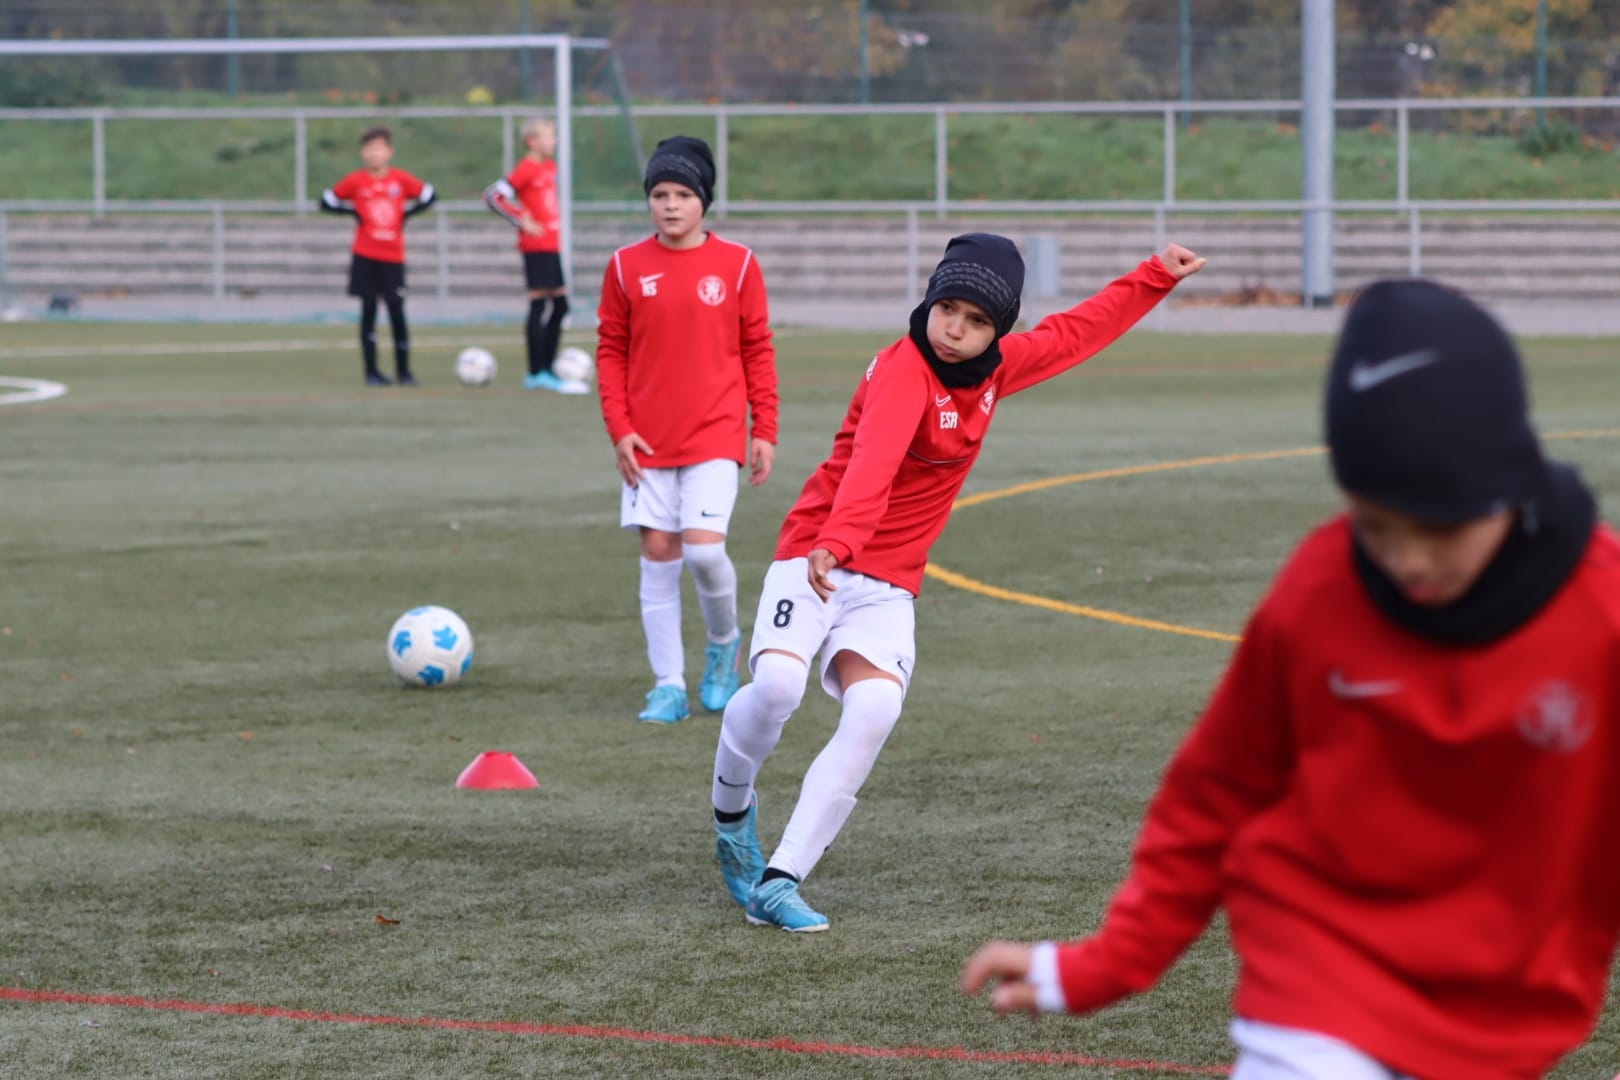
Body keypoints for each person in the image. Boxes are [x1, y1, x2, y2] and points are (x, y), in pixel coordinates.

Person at [961, 279, 1619, 1080]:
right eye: (1376, 526)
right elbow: (1212, 797)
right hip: (1316, 995)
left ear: (1509, 484)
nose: (1408, 560)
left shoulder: (1602, 617)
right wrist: (1107, 962)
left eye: (1439, 529)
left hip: (1504, 1025)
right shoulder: (1319, 594)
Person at [711, 233, 1207, 932]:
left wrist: (1156, 275)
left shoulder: (994, 371)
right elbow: (873, 464)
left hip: (887, 582)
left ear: (996, 331)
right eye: (948, 309)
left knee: (875, 710)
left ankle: (781, 878)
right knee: (777, 688)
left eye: (977, 321)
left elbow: (1073, 334)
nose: (955, 329)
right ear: (931, 300)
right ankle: (732, 814)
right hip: (817, 553)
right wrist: (837, 542)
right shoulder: (903, 369)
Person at [595, 135, 778, 725]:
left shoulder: (738, 264)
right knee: (657, 552)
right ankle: (667, 685)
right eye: (659, 194)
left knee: (703, 551)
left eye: (682, 194)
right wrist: (619, 429)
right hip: (646, 440)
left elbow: (757, 349)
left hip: (715, 434)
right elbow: (610, 351)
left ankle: (723, 646)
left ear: (704, 201)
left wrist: (764, 427)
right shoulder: (625, 266)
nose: (670, 205)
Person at [319, 127, 436, 387]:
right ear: (363, 153)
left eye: (379, 148)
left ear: (389, 152)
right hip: (365, 254)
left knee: (397, 311)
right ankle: (371, 372)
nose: (374, 154)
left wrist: (407, 214)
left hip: (393, 256)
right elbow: (326, 200)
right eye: (369, 149)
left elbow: (429, 195)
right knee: (368, 310)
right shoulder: (356, 181)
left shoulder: (400, 179)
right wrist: (352, 213)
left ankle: (404, 372)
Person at [483, 117, 586, 395]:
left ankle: (547, 370)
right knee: (541, 305)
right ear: (532, 141)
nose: (554, 141)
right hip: (536, 247)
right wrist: (521, 219)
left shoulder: (549, 167)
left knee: (560, 306)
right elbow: (492, 196)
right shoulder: (526, 168)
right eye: (549, 136)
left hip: (551, 245)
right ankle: (537, 373)